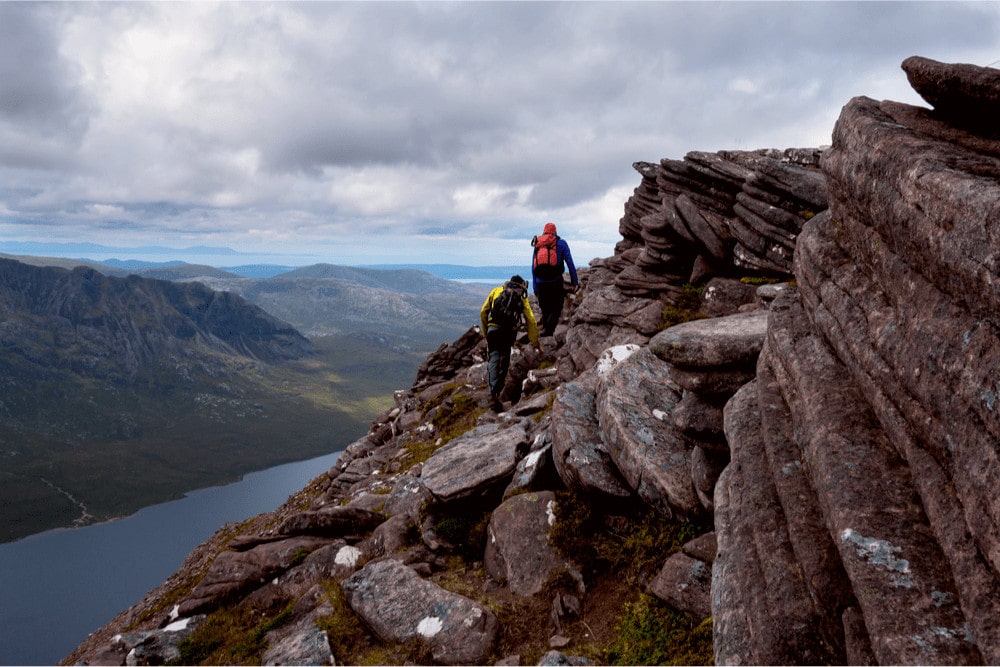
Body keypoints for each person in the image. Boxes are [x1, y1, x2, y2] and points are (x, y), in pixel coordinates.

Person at [479, 275, 539, 411]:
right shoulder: (521, 297)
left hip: (493, 330)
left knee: (494, 358)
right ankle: (496, 390)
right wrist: (535, 342)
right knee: (504, 361)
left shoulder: (496, 291)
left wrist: (485, 331)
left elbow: (483, 311)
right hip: (508, 333)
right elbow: (531, 320)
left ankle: (491, 391)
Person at [531, 222, 579, 336]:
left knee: (545, 307)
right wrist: (575, 281)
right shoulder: (561, 243)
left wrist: (535, 287)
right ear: (555, 231)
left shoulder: (538, 243)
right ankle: (549, 331)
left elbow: (533, 267)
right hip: (555, 280)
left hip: (540, 282)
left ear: (544, 231)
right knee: (558, 305)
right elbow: (569, 262)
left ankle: (546, 331)